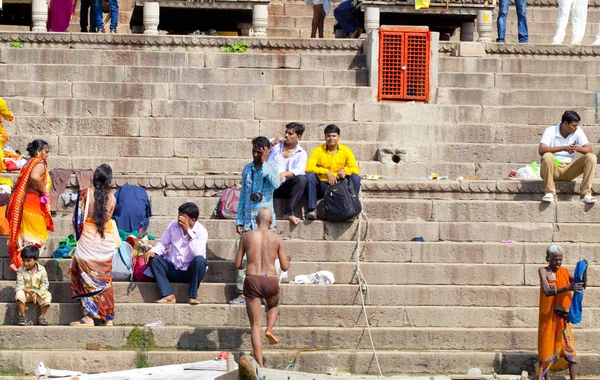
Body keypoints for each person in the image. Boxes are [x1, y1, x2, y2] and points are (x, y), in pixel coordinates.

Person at [234, 208, 290, 368]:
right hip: (270, 279)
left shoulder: (246, 236)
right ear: (271, 222)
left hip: (252, 279)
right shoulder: (277, 238)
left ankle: (260, 364)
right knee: (273, 306)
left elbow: (237, 265)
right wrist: (289, 260)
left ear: (256, 219)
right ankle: (270, 329)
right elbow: (285, 267)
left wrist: (247, 264)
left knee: (255, 326)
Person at [230, 137, 280, 306]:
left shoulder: (272, 167)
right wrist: (239, 219)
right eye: (254, 151)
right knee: (245, 257)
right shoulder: (247, 169)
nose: (256, 154)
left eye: (259, 151)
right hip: (248, 220)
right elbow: (243, 195)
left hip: (265, 222)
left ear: (266, 150)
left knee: (266, 258)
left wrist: (265, 164)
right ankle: (242, 293)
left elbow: (276, 184)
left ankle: (266, 293)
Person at [69, 164, 117, 327]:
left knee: (84, 278)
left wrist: (79, 240)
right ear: (109, 181)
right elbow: (107, 218)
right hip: (105, 244)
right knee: (105, 281)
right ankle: (107, 317)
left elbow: (77, 221)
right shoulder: (113, 198)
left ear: (94, 177)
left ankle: (89, 317)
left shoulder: (84, 194)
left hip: (88, 242)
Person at [147, 202, 208, 305]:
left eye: (183, 217)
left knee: (200, 261)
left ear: (192, 220)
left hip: (190, 271)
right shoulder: (173, 225)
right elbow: (163, 244)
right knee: (154, 259)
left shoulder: (201, 231)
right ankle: (168, 295)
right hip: (174, 268)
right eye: (179, 215)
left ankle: (192, 296)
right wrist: (153, 251)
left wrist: (188, 231)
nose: (180, 218)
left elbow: (197, 253)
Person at [7, 140, 54, 273]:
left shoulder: (27, 163)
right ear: (38, 152)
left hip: (24, 204)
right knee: (38, 236)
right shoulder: (39, 163)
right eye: (46, 151)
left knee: (26, 235)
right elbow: (35, 177)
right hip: (32, 204)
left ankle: (19, 262)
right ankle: (19, 264)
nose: (47, 155)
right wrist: (44, 191)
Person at [538, 244, 582, 380]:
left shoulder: (564, 271)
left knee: (571, 350)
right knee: (547, 347)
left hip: (562, 317)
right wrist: (567, 287)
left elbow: (580, 283)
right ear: (548, 259)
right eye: (555, 259)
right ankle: (547, 378)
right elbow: (547, 291)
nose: (558, 263)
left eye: (560, 259)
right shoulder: (543, 271)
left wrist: (582, 272)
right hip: (547, 318)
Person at [539, 110, 597, 204]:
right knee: (547, 156)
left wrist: (578, 148)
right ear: (565, 123)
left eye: (577, 125)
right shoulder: (550, 130)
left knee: (591, 157)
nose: (576, 128)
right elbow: (541, 150)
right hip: (553, 169)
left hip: (569, 169)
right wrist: (563, 148)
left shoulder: (578, 131)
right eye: (573, 125)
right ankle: (549, 192)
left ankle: (586, 194)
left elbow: (589, 149)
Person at [305, 124, 360, 220]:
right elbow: (309, 168)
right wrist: (326, 172)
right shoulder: (318, 150)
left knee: (355, 177)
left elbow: (355, 169)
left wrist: (345, 170)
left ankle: (353, 207)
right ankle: (312, 209)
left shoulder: (346, 150)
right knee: (309, 176)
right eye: (328, 136)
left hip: (340, 186)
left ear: (339, 137)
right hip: (323, 186)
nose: (331, 138)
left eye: (334, 136)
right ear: (325, 137)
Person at [268, 122, 308, 225]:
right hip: (268, 184)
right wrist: (272, 144)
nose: (286, 136)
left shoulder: (301, 153)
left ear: (298, 137)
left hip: (284, 186)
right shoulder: (274, 144)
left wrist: (285, 174)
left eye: (290, 134)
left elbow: (300, 170)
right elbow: (259, 152)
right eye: (286, 132)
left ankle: (289, 212)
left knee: (301, 179)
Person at [15, 246, 51, 326]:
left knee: (48, 295)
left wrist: (36, 293)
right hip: (26, 293)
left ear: (36, 260)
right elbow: (19, 285)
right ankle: (23, 317)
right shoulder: (20, 270)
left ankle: (41, 317)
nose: (25, 263)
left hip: (38, 294)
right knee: (18, 293)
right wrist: (29, 291)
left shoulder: (42, 270)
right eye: (23, 260)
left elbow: (45, 284)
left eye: (28, 260)